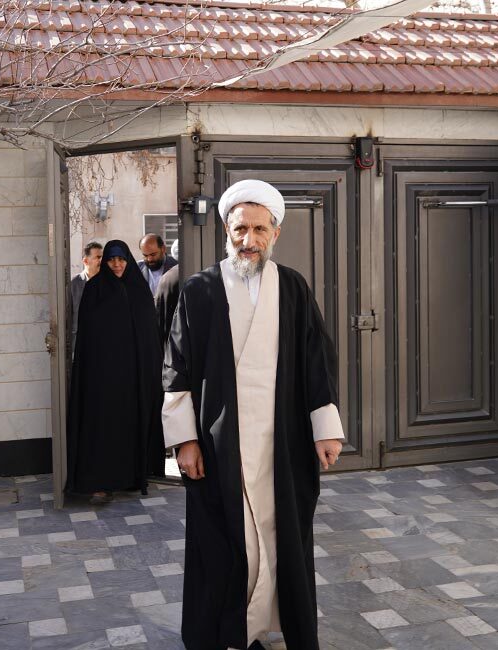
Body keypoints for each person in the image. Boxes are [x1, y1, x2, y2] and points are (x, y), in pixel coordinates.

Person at [161, 179, 344, 650]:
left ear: (275, 233)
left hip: (282, 444)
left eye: (260, 229)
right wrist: (185, 441)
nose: (250, 239)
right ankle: (228, 631)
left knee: (284, 535)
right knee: (223, 541)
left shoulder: (293, 288)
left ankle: (271, 624)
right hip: (219, 447)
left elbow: (317, 362)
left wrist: (325, 430)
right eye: (241, 228)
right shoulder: (199, 289)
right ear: (227, 230)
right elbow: (176, 369)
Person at [66, 240, 162, 503]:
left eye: (121, 259)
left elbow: (149, 336)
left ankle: (131, 477)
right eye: (111, 260)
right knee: (104, 427)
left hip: (133, 378)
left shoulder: (139, 290)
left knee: (130, 426)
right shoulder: (94, 290)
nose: (117, 265)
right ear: (104, 262)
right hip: (103, 377)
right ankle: (101, 483)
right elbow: (88, 338)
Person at [70, 241, 103, 354]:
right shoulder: (74, 284)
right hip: (80, 345)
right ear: (85, 261)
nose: (101, 261)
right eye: (98, 257)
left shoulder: (109, 283)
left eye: (102, 257)